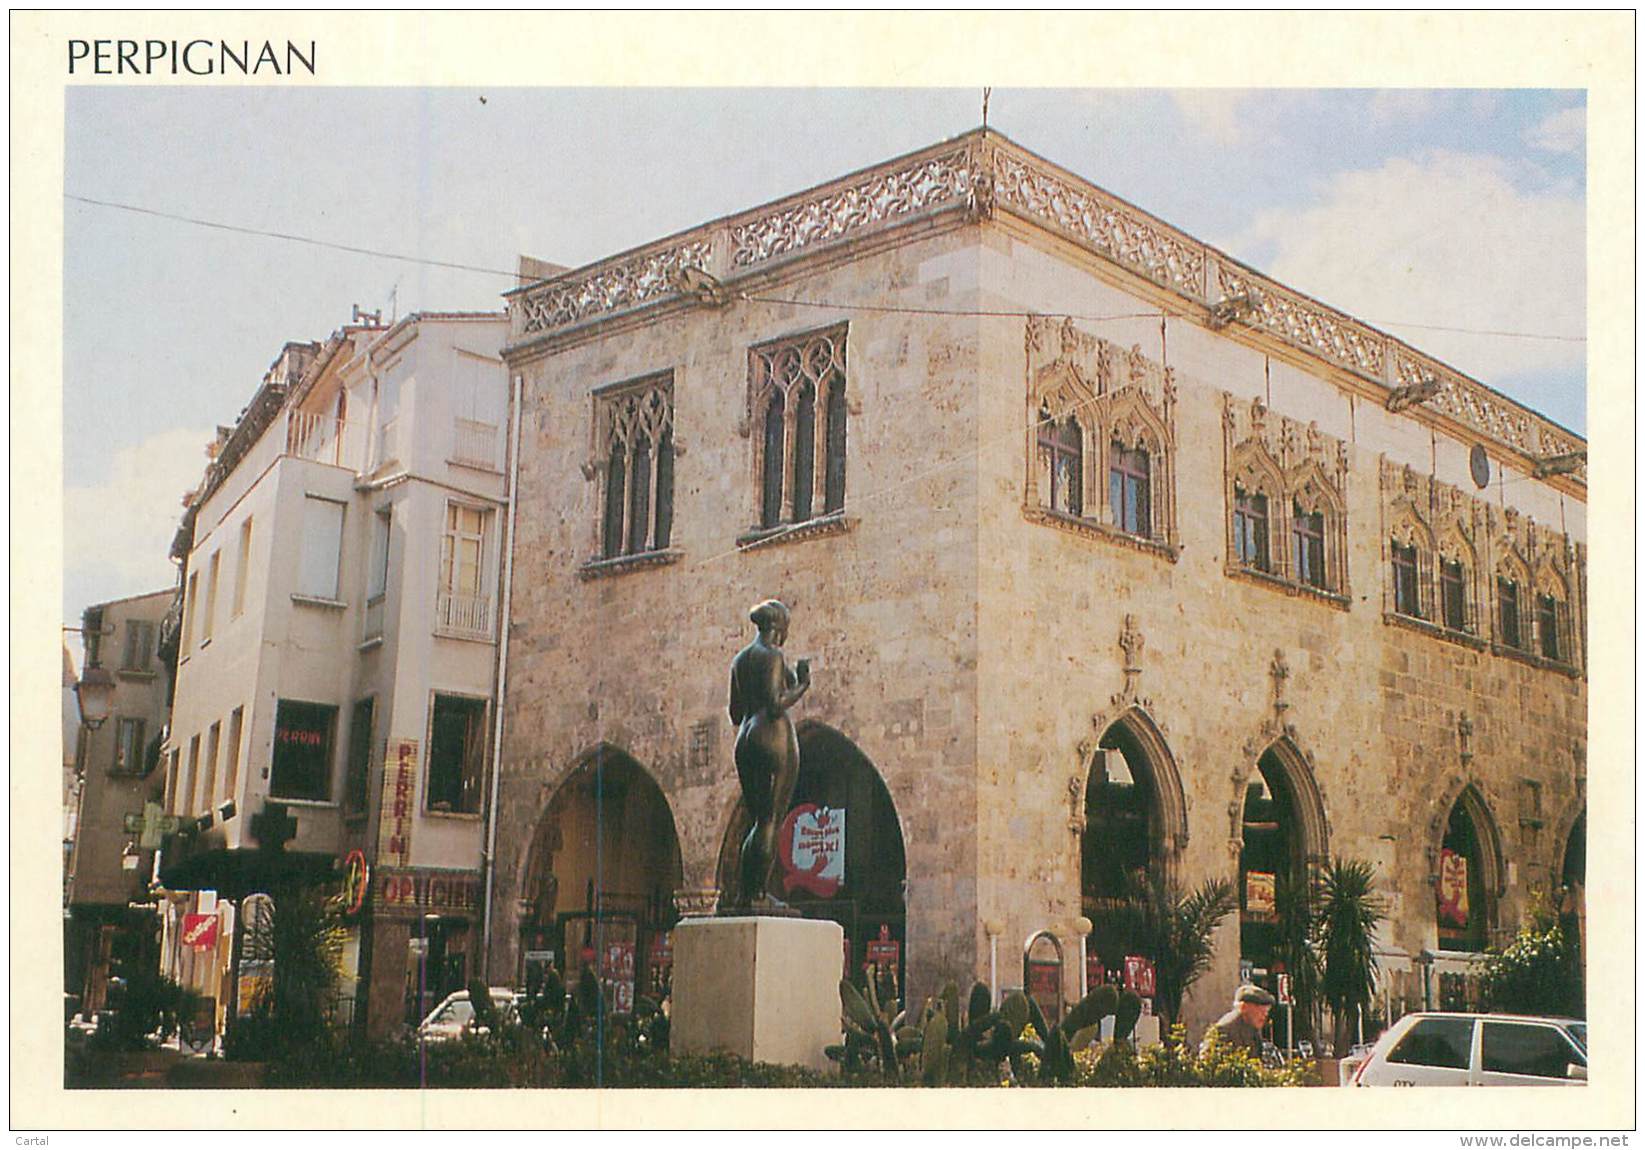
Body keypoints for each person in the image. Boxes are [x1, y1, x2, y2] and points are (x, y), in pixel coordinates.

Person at [726, 599, 811, 910]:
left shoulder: (740, 660)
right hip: (770, 736)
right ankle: (758, 894)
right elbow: (776, 704)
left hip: (746, 737)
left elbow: (735, 712)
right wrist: (802, 685)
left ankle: (746, 893)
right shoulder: (773, 654)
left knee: (759, 820)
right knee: (770, 820)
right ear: (781, 628)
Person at [1201, 984, 1275, 1059]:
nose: (1265, 1014)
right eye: (1260, 1010)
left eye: (1267, 1010)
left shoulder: (1252, 1028)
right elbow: (1208, 1061)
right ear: (1243, 1007)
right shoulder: (1224, 1030)